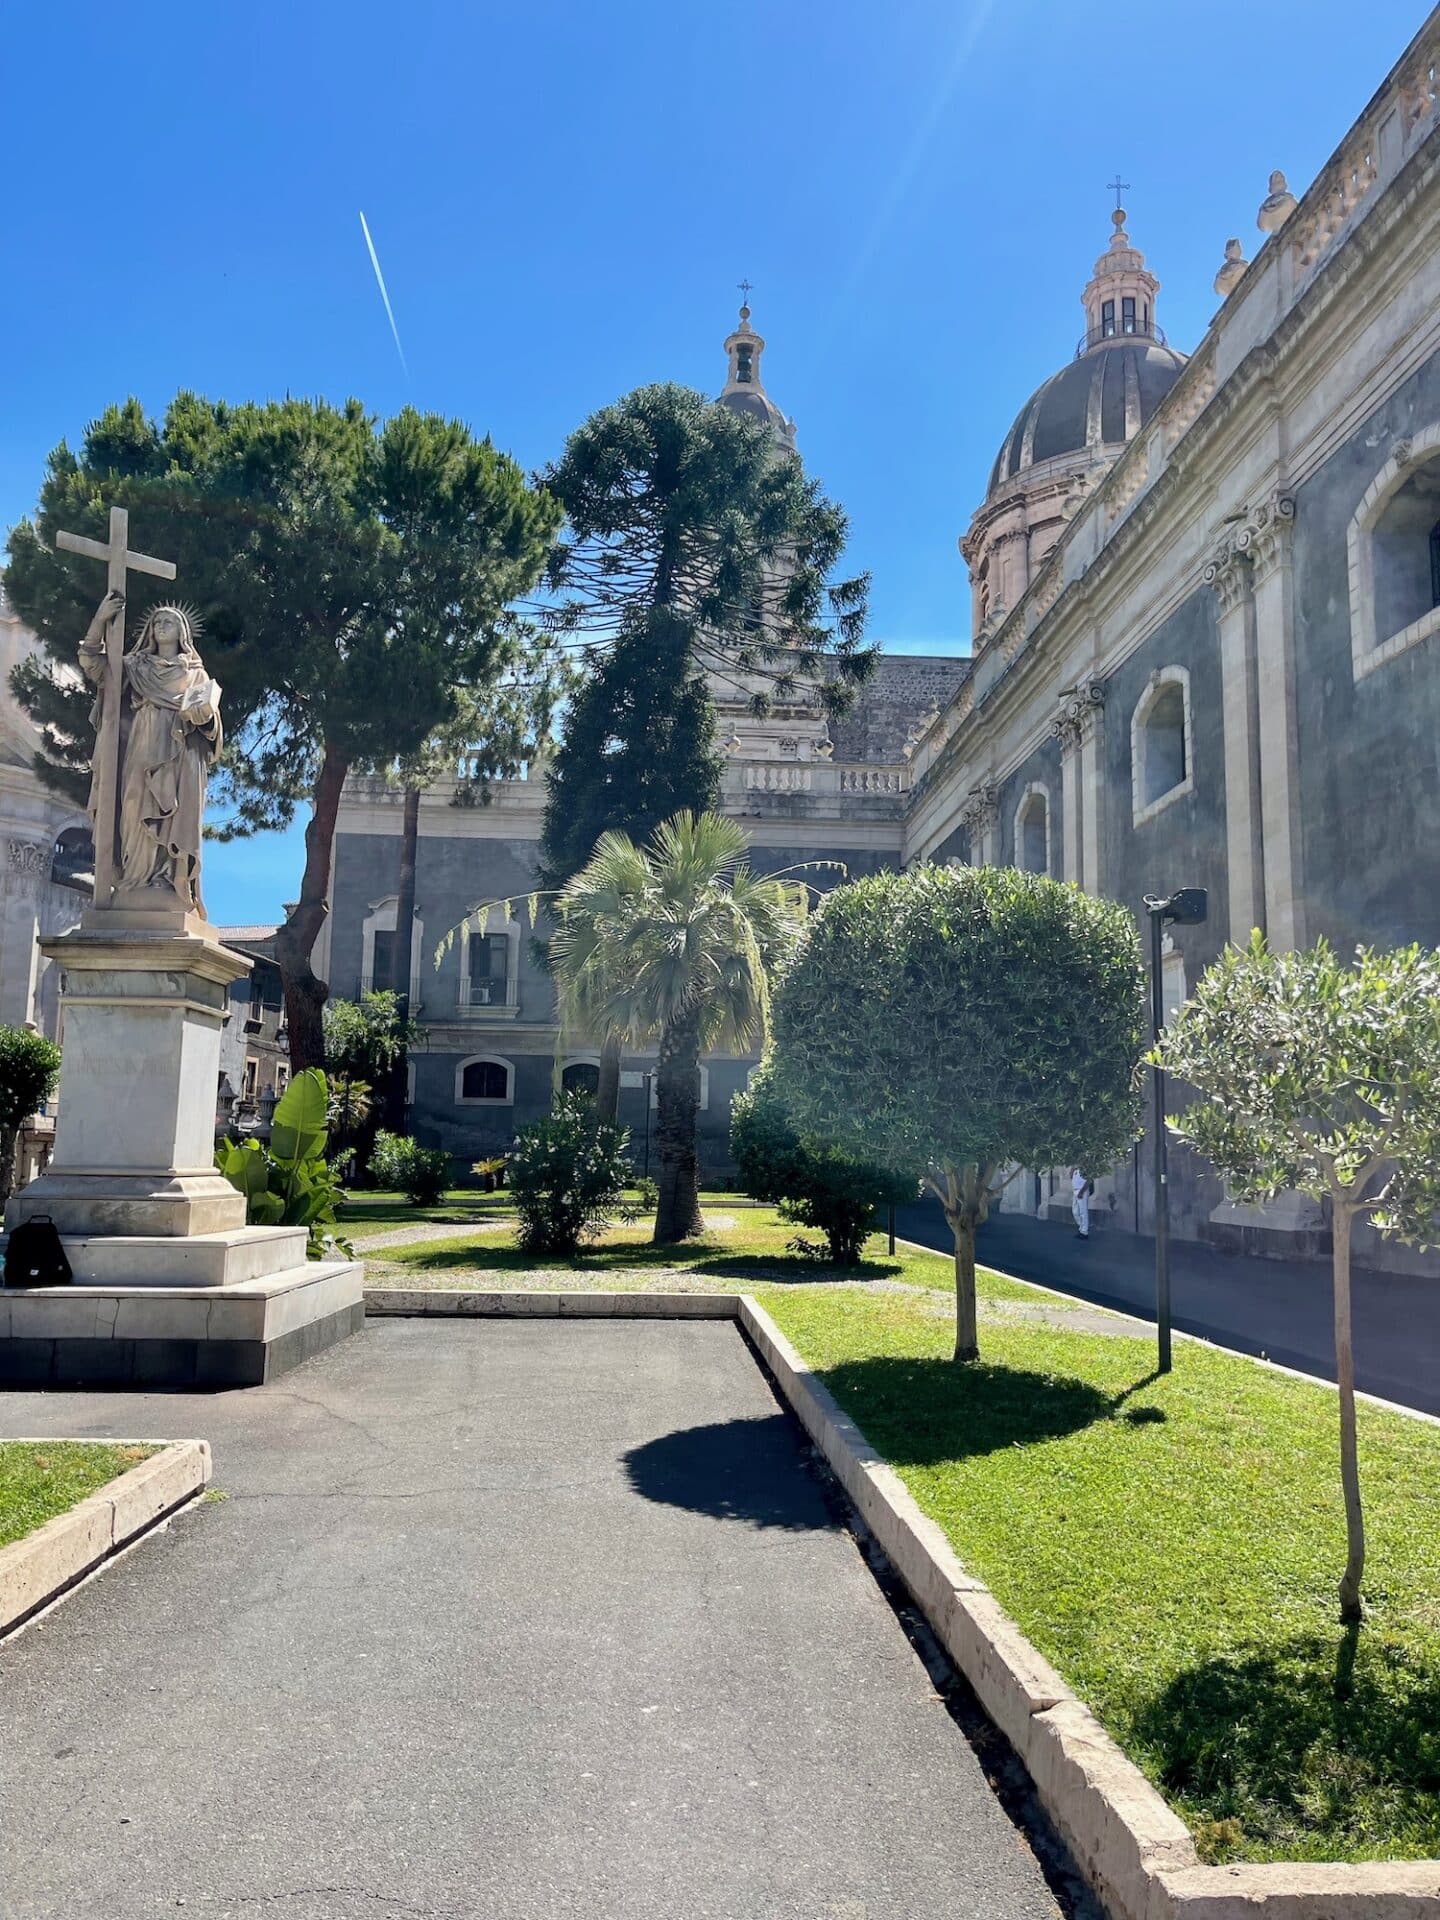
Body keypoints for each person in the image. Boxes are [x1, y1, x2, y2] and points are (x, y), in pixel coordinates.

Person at [80, 590, 222, 913]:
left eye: (169, 621)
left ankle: (166, 879)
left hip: (178, 753)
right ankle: (135, 878)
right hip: (141, 744)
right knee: (132, 806)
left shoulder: (195, 674)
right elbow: (93, 663)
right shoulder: (134, 666)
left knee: (171, 812)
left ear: (183, 632)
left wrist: (204, 716)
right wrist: (100, 620)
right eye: (157, 621)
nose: (161, 625)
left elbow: (211, 726)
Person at [1071, 1165, 1094, 1239]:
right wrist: (1072, 1168)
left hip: (1082, 1191)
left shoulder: (1085, 1168)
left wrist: (1082, 1192)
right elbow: (1071, 1177)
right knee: (1075, 1211)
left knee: (1083, 1212)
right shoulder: (1076, 1168)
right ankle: (1082, 1228)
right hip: (1075, 1191)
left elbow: (1089, 1180)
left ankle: (1084, 1232)